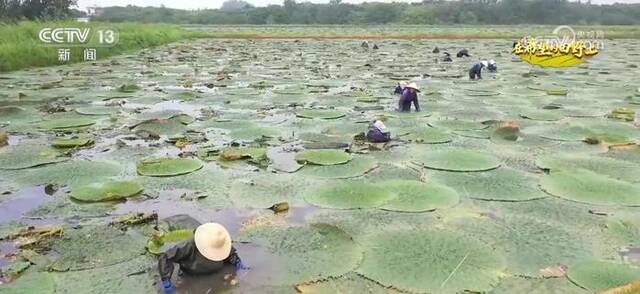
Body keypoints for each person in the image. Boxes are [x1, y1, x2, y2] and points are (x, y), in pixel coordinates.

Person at [159, 223, 248, 294]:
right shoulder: (189, 245)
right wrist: (166, 281)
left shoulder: (220, 242)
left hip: (216, 274)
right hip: (191, 273)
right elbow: (166, 257)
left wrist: (238, 263)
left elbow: (231, 254)